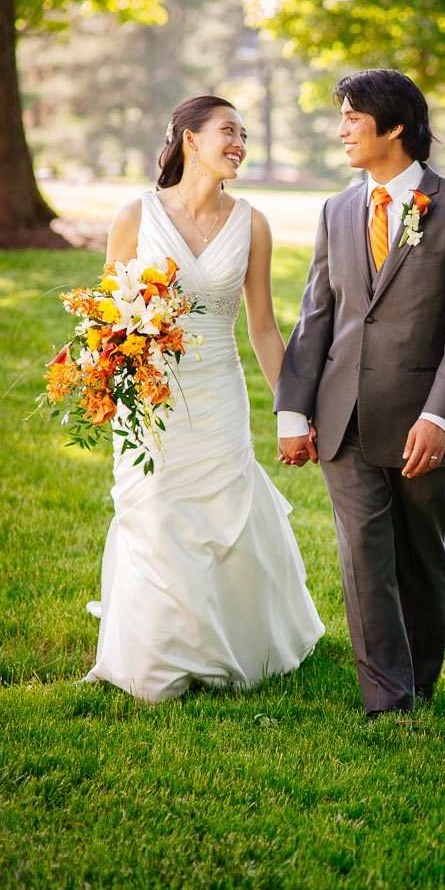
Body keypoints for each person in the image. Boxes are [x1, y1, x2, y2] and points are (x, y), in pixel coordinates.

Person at [83, 95, 325, 702]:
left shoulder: (253, 223)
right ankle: (157, 654)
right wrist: (111, 377)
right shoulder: (135, 216)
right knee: (157, 510)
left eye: (245, 134)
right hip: (151, 392)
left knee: (222, 517)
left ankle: (233, 644)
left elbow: (264, 328)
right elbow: (108, 314)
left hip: (218, 393)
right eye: (228, 131)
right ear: (189, 139)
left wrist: (293, 411)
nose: (240, 142)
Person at [275, 69, 445, 717]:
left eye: (352, 116)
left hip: (424, 420)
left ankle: (423, 679)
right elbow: (316, 314)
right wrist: (294, 409)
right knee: (364, 558)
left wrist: (438, 415)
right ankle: (388, 699)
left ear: (394, 126)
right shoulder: (337, 209)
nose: (341, 129)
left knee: (422, 556)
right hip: (342, 417)